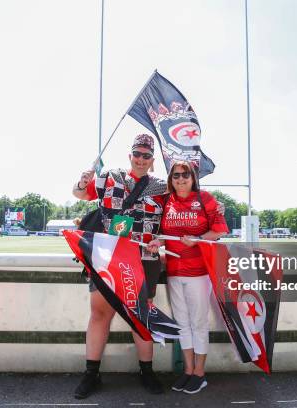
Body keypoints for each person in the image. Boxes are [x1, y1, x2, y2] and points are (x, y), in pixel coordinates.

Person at [71, 134, 167, 399]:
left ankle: (146, 372)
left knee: (141, 315)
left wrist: (160, 239)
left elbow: (169, 225)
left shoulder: (163, 188)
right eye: (137, 153)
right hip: (106, 255)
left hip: (143, 259)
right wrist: (82, 180)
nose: (140, 159)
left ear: (152, 160)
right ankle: (91, 374)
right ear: (130, 156)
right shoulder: (109, 176)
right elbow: (79, 194)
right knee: (100, 314)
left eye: (146, 155)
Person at [147, 160, 228, 395]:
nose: (180, 179)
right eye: (176, 175)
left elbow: (220, 231)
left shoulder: (206, 199)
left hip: (199, 273)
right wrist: (156, 243)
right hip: (174, 272)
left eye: (185, 175)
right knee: (182, 324)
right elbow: (163, 235)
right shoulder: (166, 202)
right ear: (170, 179)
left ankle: (200, 374)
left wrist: (198, 238)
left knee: (198, 323)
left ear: (193, 178)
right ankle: (189, 370)